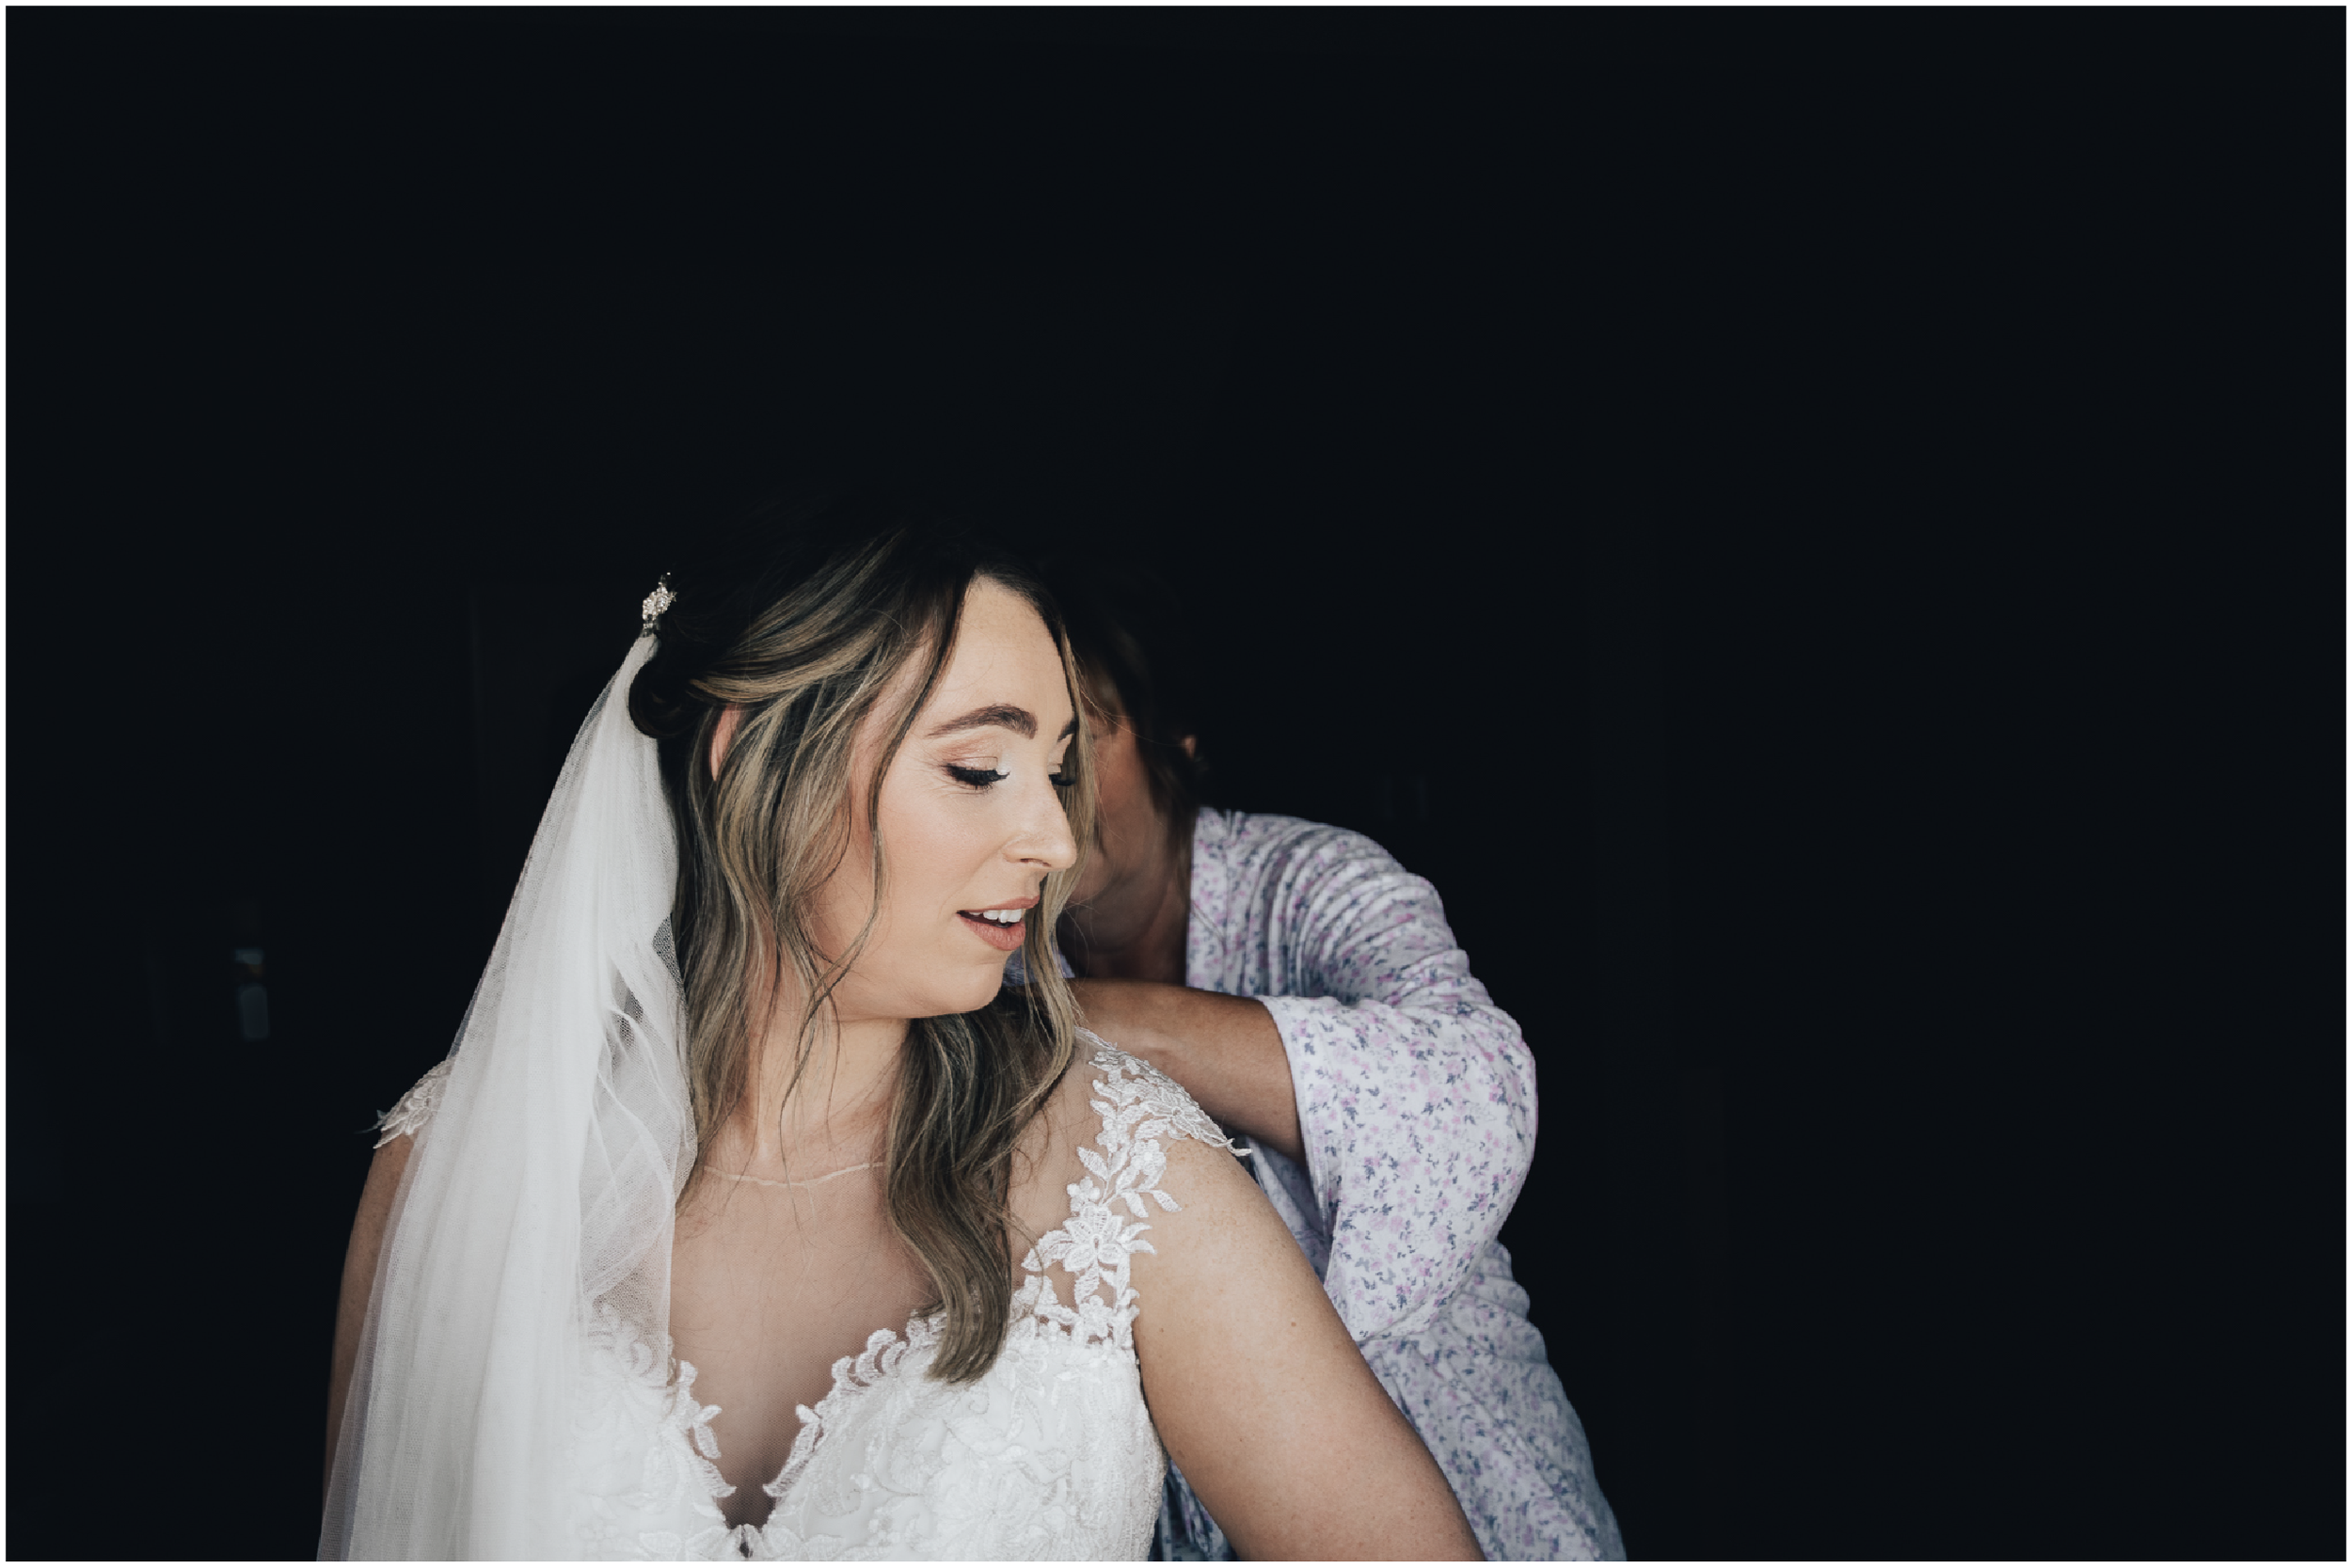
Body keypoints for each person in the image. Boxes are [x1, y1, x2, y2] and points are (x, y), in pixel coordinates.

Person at [321, 497, 1480, 1561]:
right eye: (979, 767)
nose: (1057, 841)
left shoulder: (1127, 1181)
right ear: (752, 759)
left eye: (1059, 770)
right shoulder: (454, 1158)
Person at [1036, 558, 1626, 1562]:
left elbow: (1473, 1085)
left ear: (1175, 734)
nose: (1048, 791)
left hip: (1442, 1454)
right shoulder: (988, 953)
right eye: (1013, 752)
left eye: (1078, 742)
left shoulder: (1316, 882)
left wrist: (1092, 1019)